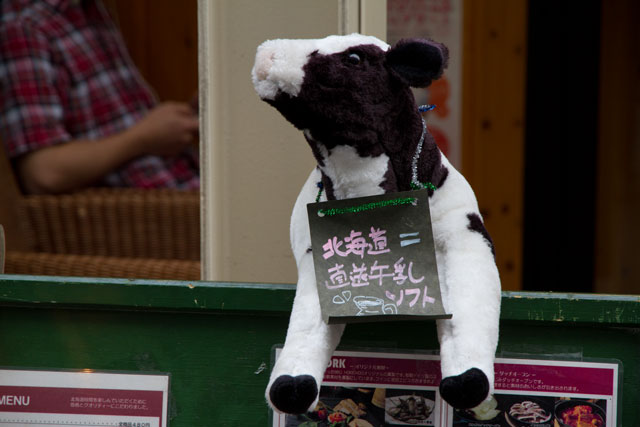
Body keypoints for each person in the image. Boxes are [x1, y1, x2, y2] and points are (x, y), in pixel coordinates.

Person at [0, 0, 200, 194]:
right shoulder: (24, 26)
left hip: (183, 190)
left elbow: (112, 122)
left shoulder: (87, 8)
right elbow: (43, 173)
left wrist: (188, 117)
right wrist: (143, 138)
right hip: (140, 214)